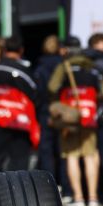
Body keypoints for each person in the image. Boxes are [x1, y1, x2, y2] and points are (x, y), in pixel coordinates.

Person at [48, 36, 103, 206]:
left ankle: (79, 198)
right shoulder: (92, 68)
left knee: (72, 156)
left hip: (70, 117)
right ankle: (94, 197)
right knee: (90, 155)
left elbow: (52, 87)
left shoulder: (64, 67)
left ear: (66, 50)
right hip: (88, 114)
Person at [0, 36, 38, 175]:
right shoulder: (24, 71)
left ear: (4, 50)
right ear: (21, 50)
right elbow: (35, 94)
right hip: (19, 122)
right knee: (19, 159)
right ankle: (17, 191)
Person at [35, 35, 70, 196]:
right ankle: (67, 186)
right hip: (63, 110)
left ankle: (50, 186)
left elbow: (39, 93)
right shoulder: (64, 66)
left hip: (45, 111)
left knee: (47, 150)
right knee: (64, 149)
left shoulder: (40, 68)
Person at [85, 33, 103, 204]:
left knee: (94, 155)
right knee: (100, 154)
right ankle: (100, 193)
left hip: (91, 114)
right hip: (97, 112)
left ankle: (96, 193)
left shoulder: (83, 64)